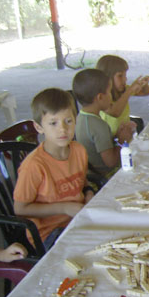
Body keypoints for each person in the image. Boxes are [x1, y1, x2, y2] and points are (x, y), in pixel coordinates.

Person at [13, 88, 94, 250]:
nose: (63, 129)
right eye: (53, 123)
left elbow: (81, 181)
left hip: (78, 220)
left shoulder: (79, 151)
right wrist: (63, 207)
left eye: (68, 121)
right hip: (48, 233)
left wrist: (89, 193)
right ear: (39, 127)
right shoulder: (34, 166)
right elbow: (20, 209)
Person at [73, 69, 133, 178]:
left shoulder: (81, 117)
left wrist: (116, 136)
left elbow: (97, 144)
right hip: (106, 176)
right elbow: (111, 162)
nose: (111, 96)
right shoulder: (98, 125)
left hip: (91, 172)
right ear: (100, 97)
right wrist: (122, 140)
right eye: (109, 92)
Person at [96, 55, 149, 136]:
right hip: (110, 141)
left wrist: (144, 84)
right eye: (120, 76)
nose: (125, 79)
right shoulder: (102, 96)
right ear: (108, 77)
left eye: (125, 75)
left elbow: (146, 92)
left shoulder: (123, 90)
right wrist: (129, 91)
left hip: (125, 135)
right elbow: (115, 113)